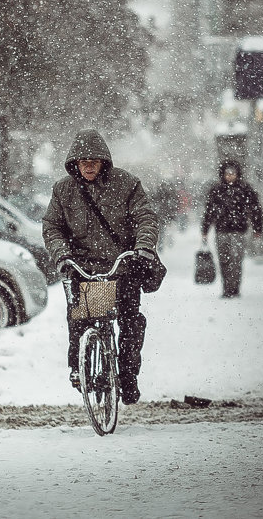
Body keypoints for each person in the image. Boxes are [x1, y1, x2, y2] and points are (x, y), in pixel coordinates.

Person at [42, 129, 160, 406]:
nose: (89, 165)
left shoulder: (127, 184)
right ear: (75, 163)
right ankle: (78, 368)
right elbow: (52, 227)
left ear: (104, 161)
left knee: (131, 322)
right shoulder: (63, 190)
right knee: (80, 320)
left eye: (94, 160)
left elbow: (146, 217)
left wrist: (143, 248)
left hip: (124, 266)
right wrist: (63, 255)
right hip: (85, 270)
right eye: (83, 161)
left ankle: (128, 375)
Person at [201, 159, 263, 298]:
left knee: (236, 260)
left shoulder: (245, 189)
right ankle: (226, 287)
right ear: (222, 174)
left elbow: (255, 209)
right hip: (221, 230)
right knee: (224, 260)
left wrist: (257, 227)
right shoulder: (217, 190)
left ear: (237, 174)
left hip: (239, 230)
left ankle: (234, 287)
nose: (230, 176)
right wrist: (205, 230)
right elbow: (209, 211)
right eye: (227, 173)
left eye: (232, 173)